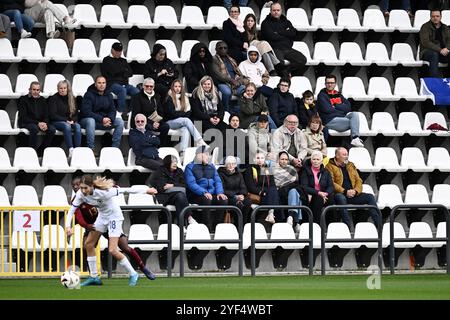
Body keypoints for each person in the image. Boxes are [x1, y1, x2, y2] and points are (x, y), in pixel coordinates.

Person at [65, 175, 157, 286]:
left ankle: (133, 273)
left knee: (113, 250)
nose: (83, 191)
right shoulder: (80, 194)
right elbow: (71, 211)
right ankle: (94, 277)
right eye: (81, 188)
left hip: (114, 217)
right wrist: (68, 227)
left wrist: (146, 190)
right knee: (88, 244)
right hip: (102, 217)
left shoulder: (105, 192)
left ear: (91, 186)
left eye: (85, 188)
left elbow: (126, 190)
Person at [326, 147, 380, 229]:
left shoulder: (351, 165)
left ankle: (379, 226)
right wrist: (345, 191)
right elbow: (331, 183)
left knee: (370, 197)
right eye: (344, 155)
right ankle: (348, 228)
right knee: (341, 198)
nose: (346, 156)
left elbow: (359, 180)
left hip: (353, 194)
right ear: (337, 156)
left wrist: (356, 191)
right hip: (339, 194)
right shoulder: (329, 166)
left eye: (347, 154)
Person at [184, 146, 228, 232]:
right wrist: (203, 192)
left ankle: (216, 226)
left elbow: (218, 181)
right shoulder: (190, 167)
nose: (208, 156)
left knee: (223, 200)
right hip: (196, 195)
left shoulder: (211, 166)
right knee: (206, 199)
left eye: (209, 154)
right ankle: (207, 227)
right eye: (206, 154)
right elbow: (191, 184)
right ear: (199, 155)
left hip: (210, 194)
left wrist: (219, 192)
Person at [260, 2, 307, 77]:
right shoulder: (265, 23)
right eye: (274, 10)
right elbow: (271, 36)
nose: (276, 12)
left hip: (288, 48)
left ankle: (287, 71)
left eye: (278, 10)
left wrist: (278, 32)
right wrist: (286, 34)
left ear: (281, 11)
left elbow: (293, 33)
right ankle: (283, 78)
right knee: (279, 63)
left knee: (302, 60)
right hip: (275, 49)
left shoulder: (286, 21)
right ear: (270, 11)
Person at [79, 75, 124, 153]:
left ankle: (114, 148)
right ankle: (91, 149)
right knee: (91, 121)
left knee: (120, 122)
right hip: (87, 120)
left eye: (103, 83)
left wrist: (109, 119)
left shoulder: (109, 95)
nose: (101, 85)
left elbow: (112, 110)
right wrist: (102, 119)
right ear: (95, 84)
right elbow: (86, 112)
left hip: (104, 120)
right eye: (99, 83)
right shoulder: (89, 94)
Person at [317, 74, 364, 148]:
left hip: (341, 119)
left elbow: (348, 107)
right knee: (353, 122)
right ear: (325, 84)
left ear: (335, 84)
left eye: (332, 83)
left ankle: (355, 138)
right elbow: (327, 109)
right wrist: (341, 109)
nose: (330, 85)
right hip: (329, 121)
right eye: (328, 83)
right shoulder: (322, 95)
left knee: (354, 114)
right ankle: (355, 137)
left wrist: (335, 105)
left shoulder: (338, 94)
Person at [163, 79, 206, 155]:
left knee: (185, 129)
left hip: (181, 123)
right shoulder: (169, 98)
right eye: (175, 86)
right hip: (169, 122)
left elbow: (189, 112)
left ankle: (183, 152)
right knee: (186, 120)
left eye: (179, 86)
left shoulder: (184, 98)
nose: (177, 88)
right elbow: (171, 114)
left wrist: (181, 114)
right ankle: (199, 140)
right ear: (172, 87)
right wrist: (183, 113)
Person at [149, 155, 194, 225]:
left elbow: (185, 185)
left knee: (180, 197)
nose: (175, 163)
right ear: (167, 162)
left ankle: (181, 225)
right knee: (180, 196)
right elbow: (162, 187)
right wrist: (177, 186)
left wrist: (173, 185)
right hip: (165, 196)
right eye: (173, 162)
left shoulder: (179, 171)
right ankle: (188, 218)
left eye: (176, 162)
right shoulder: (160, 171)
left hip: (177, 196)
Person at [18, 81, 55, 156]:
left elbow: (46, 115)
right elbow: (23, 117)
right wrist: (38, 123)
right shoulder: (24, 100)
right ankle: (32, 153)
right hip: (27, 122)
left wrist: (45, 123)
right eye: (34, 89)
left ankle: (41, 151)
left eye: (37, 90)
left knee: (52, 129)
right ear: (30, 90)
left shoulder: (43, 100)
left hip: (40, 123)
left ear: (40, 90)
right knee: (34, 128)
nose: (36, 92)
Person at [100, 42, 139, 114]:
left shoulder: (123, 60)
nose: (119, 53)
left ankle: (131, 112)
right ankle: (121, 112)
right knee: (122, 90)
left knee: (136, 92)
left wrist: (120, 71)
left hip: (124, 83)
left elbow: (130, 73)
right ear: (112, 50)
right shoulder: (106, 60)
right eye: (117, 51)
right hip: (111, 84)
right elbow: (111, 72)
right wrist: (123, 71)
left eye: (120, 51)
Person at [130, 77, 170, 146]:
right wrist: (152, 123)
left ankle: (160, 146)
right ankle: (149, 146)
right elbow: (137, 114)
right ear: (143, 86)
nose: (149, 88)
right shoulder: (137, 97)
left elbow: (161, 112)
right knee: (148, 126)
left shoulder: (157, 97)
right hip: (141, 121)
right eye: (147, 86)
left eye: (151, 86)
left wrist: (157, 122)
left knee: (165, 126)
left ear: (154, 87)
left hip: (155, 121)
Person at [211, 40, 248, 113]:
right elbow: (218, 75)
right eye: (220, 48)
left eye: (225, 48)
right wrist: (232, 81)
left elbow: (239, 73)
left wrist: (238, 81)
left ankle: (239, 110)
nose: (223, 50)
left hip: (235, 82)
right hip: (222, 82)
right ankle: (226, 111)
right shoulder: (213, 59)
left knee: (244, 89)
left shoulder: (231, 59)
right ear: (216, 49)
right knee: (227, 92)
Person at [273, 151, 305, 231]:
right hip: (279, 192)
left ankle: (290, 217)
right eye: (282, 159)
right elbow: (277, 183)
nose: (284, 161)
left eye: (286, 159)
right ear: (278, 160)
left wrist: (287, 183)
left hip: (290, 191)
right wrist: (288, 183)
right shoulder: (273, 169)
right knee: (296, 193)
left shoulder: (292, 169)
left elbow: (295, 181)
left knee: (294, 191)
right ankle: (297, 222)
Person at [244, 152, 280, 223]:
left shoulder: (267, 169)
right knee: (274, 195)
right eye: (258, 158)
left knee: (273, 190)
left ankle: (271, 214)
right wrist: (261, 192)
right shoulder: (250, 169)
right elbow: (250, 186)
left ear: (265, 160)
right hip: (257, 193)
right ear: (254, 159)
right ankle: (271, 214)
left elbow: (272, 185)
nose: (260, 160)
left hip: (267, 194)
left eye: (262, 158)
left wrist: (266, 192)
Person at [48, 79, 81, 157]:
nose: (62, 90)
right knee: (66, 126)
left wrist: (73, 120)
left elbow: (76, 113)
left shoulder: (72, 98)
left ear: (67, 88)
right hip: (56, 121)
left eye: (64, 88)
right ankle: (71, 150)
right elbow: (53, 115)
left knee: (78, 126)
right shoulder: (53, 98)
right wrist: (66, 120)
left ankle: (77, 150)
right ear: (58, 89)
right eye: (61, 88)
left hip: (69, 121)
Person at [218, 156, 253, 224]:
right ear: (225, 165)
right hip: (228, 197)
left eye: (233, 163)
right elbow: (222, 189)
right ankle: (238, 225)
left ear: (236, 165)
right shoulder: (220, 173)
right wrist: (235, 196)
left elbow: (243, 187)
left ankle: (243, 224)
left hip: (239, 196)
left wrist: (242, 195)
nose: (231, 165)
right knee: (237, 204)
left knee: (248, 202)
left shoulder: (239, 173)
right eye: (229, 164)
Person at [419, 9, 450, 78]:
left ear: (440, 17)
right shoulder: (425, 27)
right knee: (434, 54)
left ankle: (448, 80)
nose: (435, 18)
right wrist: (440, 50)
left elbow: (449, 39)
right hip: (427, 52)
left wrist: (447, 48)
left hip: (442, 52)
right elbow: (426, 42)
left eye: (437, 16)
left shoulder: (445, 27)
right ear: (430, 17)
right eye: (433, 16)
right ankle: (434, 81)